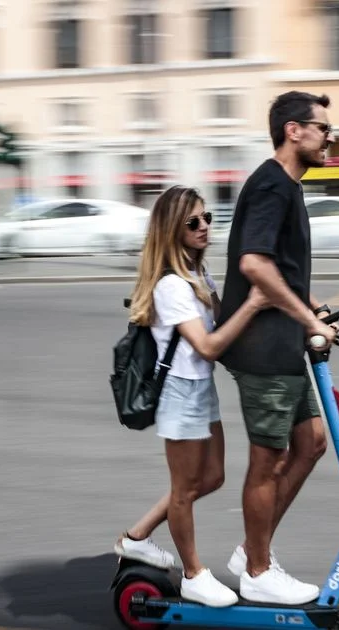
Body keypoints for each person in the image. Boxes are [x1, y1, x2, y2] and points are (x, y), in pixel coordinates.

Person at [114, 185, 269, 608]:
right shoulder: (171, 286)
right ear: (172, 230)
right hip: (180, 393)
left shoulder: (197, 275)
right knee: (183, 490)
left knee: (212, 477)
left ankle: (137, 537)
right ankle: (193, 574)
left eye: (207, 218)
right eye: (192, 222)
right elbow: (208, 346)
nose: (204, 227)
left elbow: (224, 321)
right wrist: (255, 304)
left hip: (201, 388)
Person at [215, 90, 339, 605]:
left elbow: (280, 268)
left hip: (283, 343)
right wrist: (308, 319)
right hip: (262, 348)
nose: (330, 138)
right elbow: (254, 264)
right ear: (294, 130)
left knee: (312, 442)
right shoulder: (271, 185)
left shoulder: (288, 186)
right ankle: (258, 570)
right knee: (268, 459)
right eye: (323, 128)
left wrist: (315, 306)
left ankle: (252, 550)